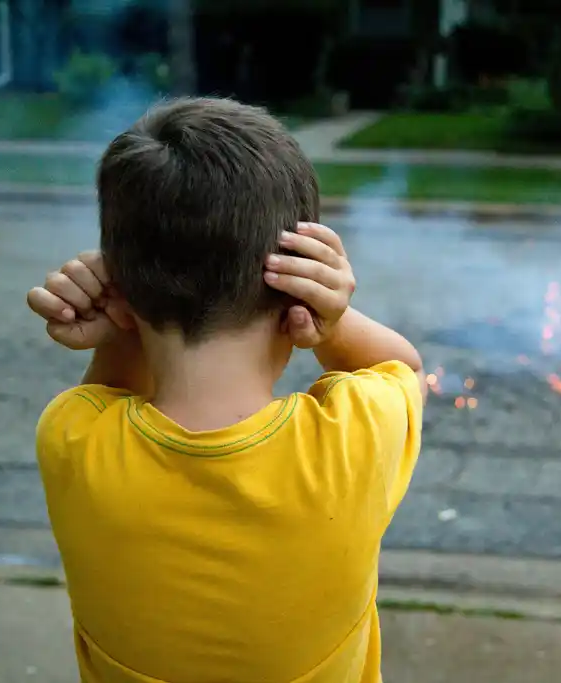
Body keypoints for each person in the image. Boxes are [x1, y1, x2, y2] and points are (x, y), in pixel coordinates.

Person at [26, 97, 427, 683]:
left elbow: (107, 399)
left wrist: (120, 325)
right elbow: (404, 369)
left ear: (123, 285)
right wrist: (334, 321)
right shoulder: (354, 441)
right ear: (298, 292)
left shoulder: (70, 438)